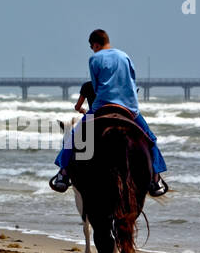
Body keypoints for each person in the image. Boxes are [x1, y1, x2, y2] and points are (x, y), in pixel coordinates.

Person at [49, 29, 168, 197]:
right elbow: (132, 80)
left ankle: (63, 174)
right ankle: (156, 179)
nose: (93, 50)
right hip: (129, 107)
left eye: (92, 47)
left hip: (103, 105)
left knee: (75, 137)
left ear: (96, 44)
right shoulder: (125, 56)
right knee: (150, 139)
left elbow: (97, 87)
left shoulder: (94, 59)